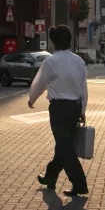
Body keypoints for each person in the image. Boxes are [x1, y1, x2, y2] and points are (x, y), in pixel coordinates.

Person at [28, 25, 89, 197]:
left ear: (53, 43)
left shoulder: (51, 61)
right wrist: (83, 108)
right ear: (70, 40)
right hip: (75, 107)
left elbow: (39, 83)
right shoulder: (79, 61)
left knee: (64, 146)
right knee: (64, 145)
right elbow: (83, 86)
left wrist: (31, 99)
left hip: (59, 109)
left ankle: (80, 184)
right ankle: (50, 176)